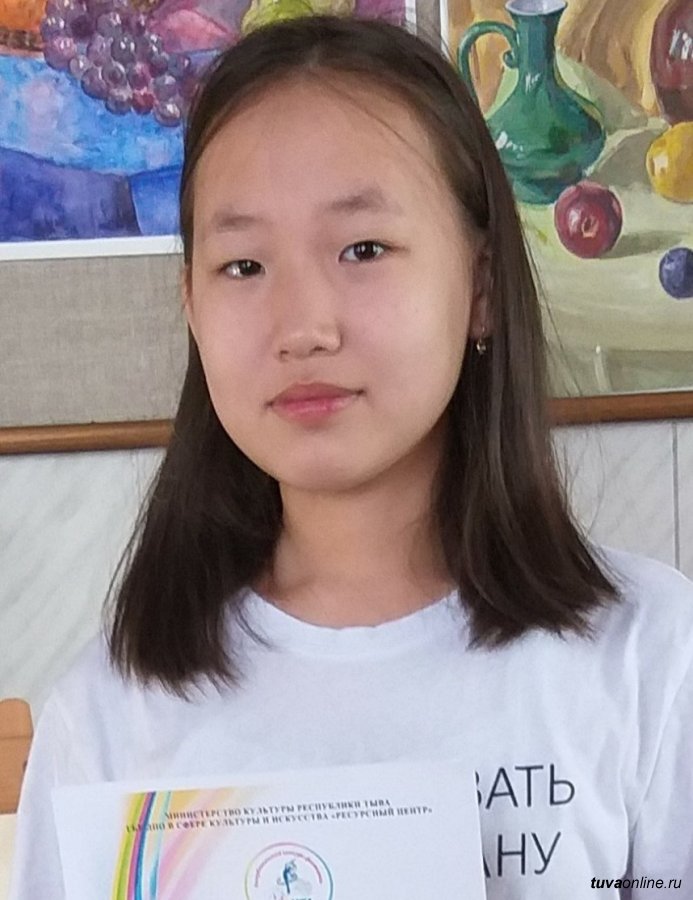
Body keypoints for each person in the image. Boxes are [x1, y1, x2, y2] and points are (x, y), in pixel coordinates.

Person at [10, 14, 693, 899]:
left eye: (363, 249)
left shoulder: (650, 655)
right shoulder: (112, 710)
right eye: (243, 265)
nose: (303, 327)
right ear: (191, 306)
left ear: (480, 287)